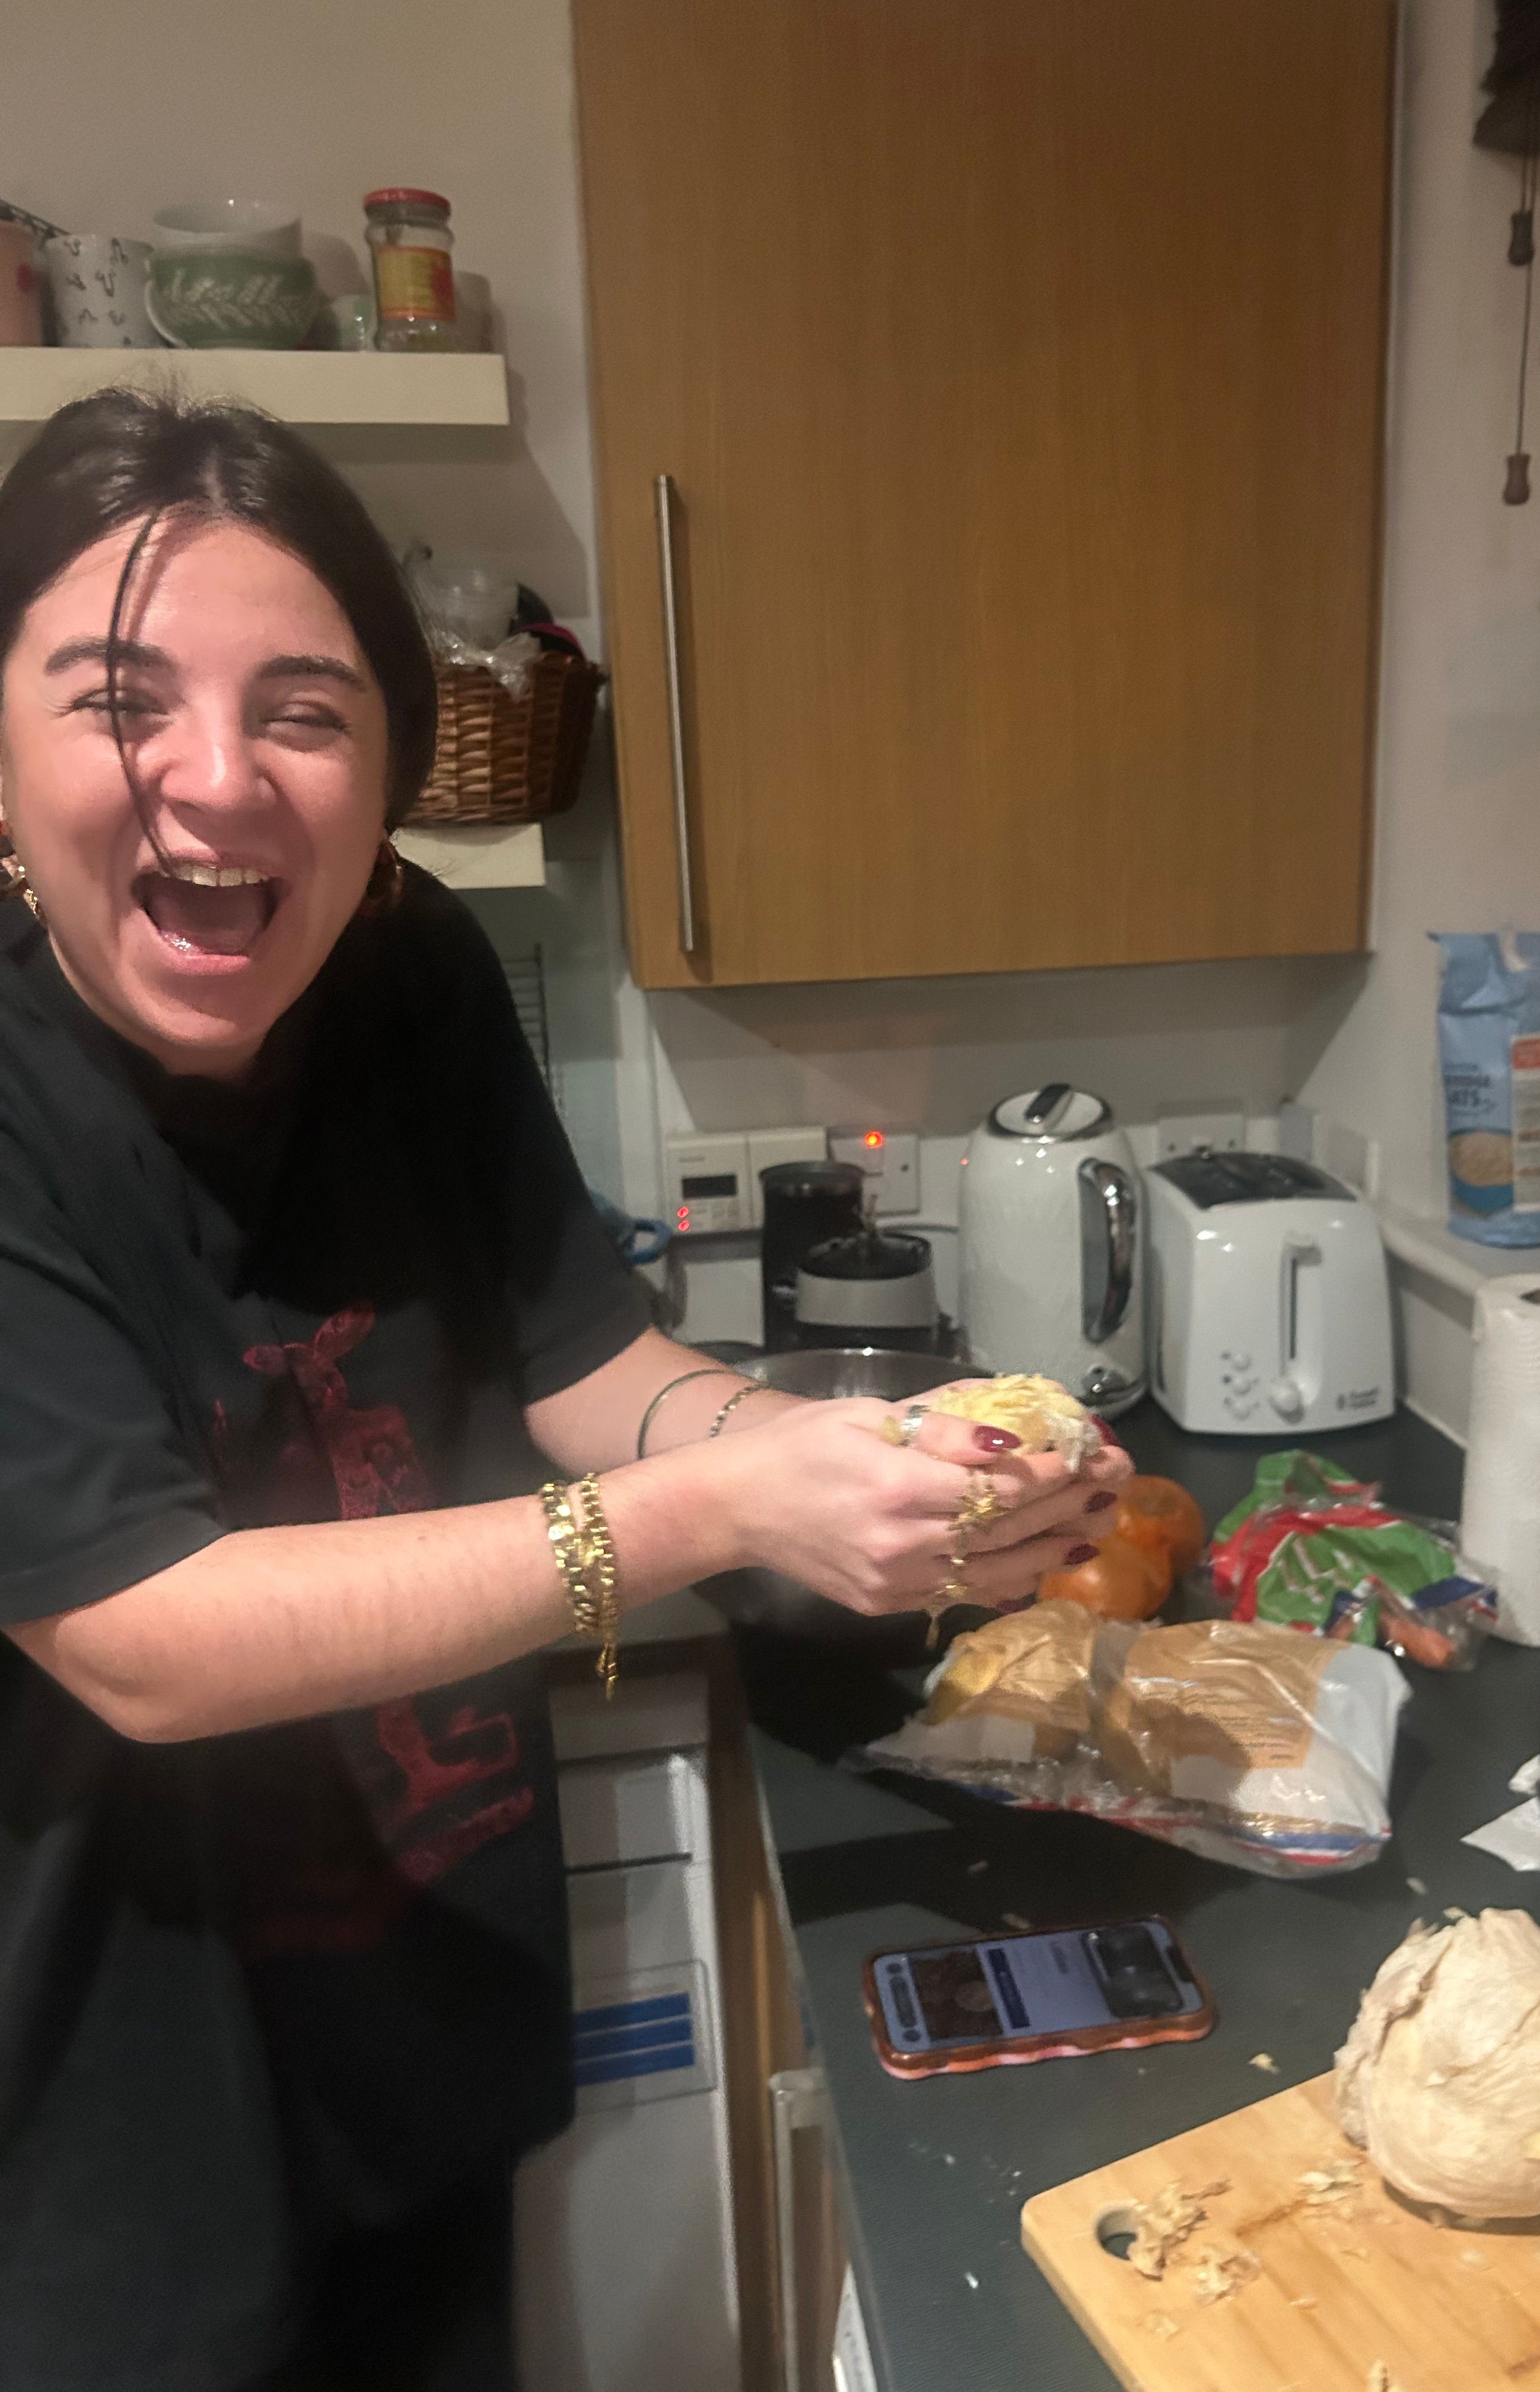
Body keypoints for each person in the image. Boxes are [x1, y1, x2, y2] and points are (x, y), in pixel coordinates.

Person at [0, 392, 1130, 2392]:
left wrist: (828, 1452)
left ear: (391, 762)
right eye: (118, 701)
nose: (219, 782)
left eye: (305, 710)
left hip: (426, 2015)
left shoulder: (410, 976)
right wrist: (712, 1514)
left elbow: (589, 1358)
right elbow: (143, 1635)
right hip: (112, 2129)